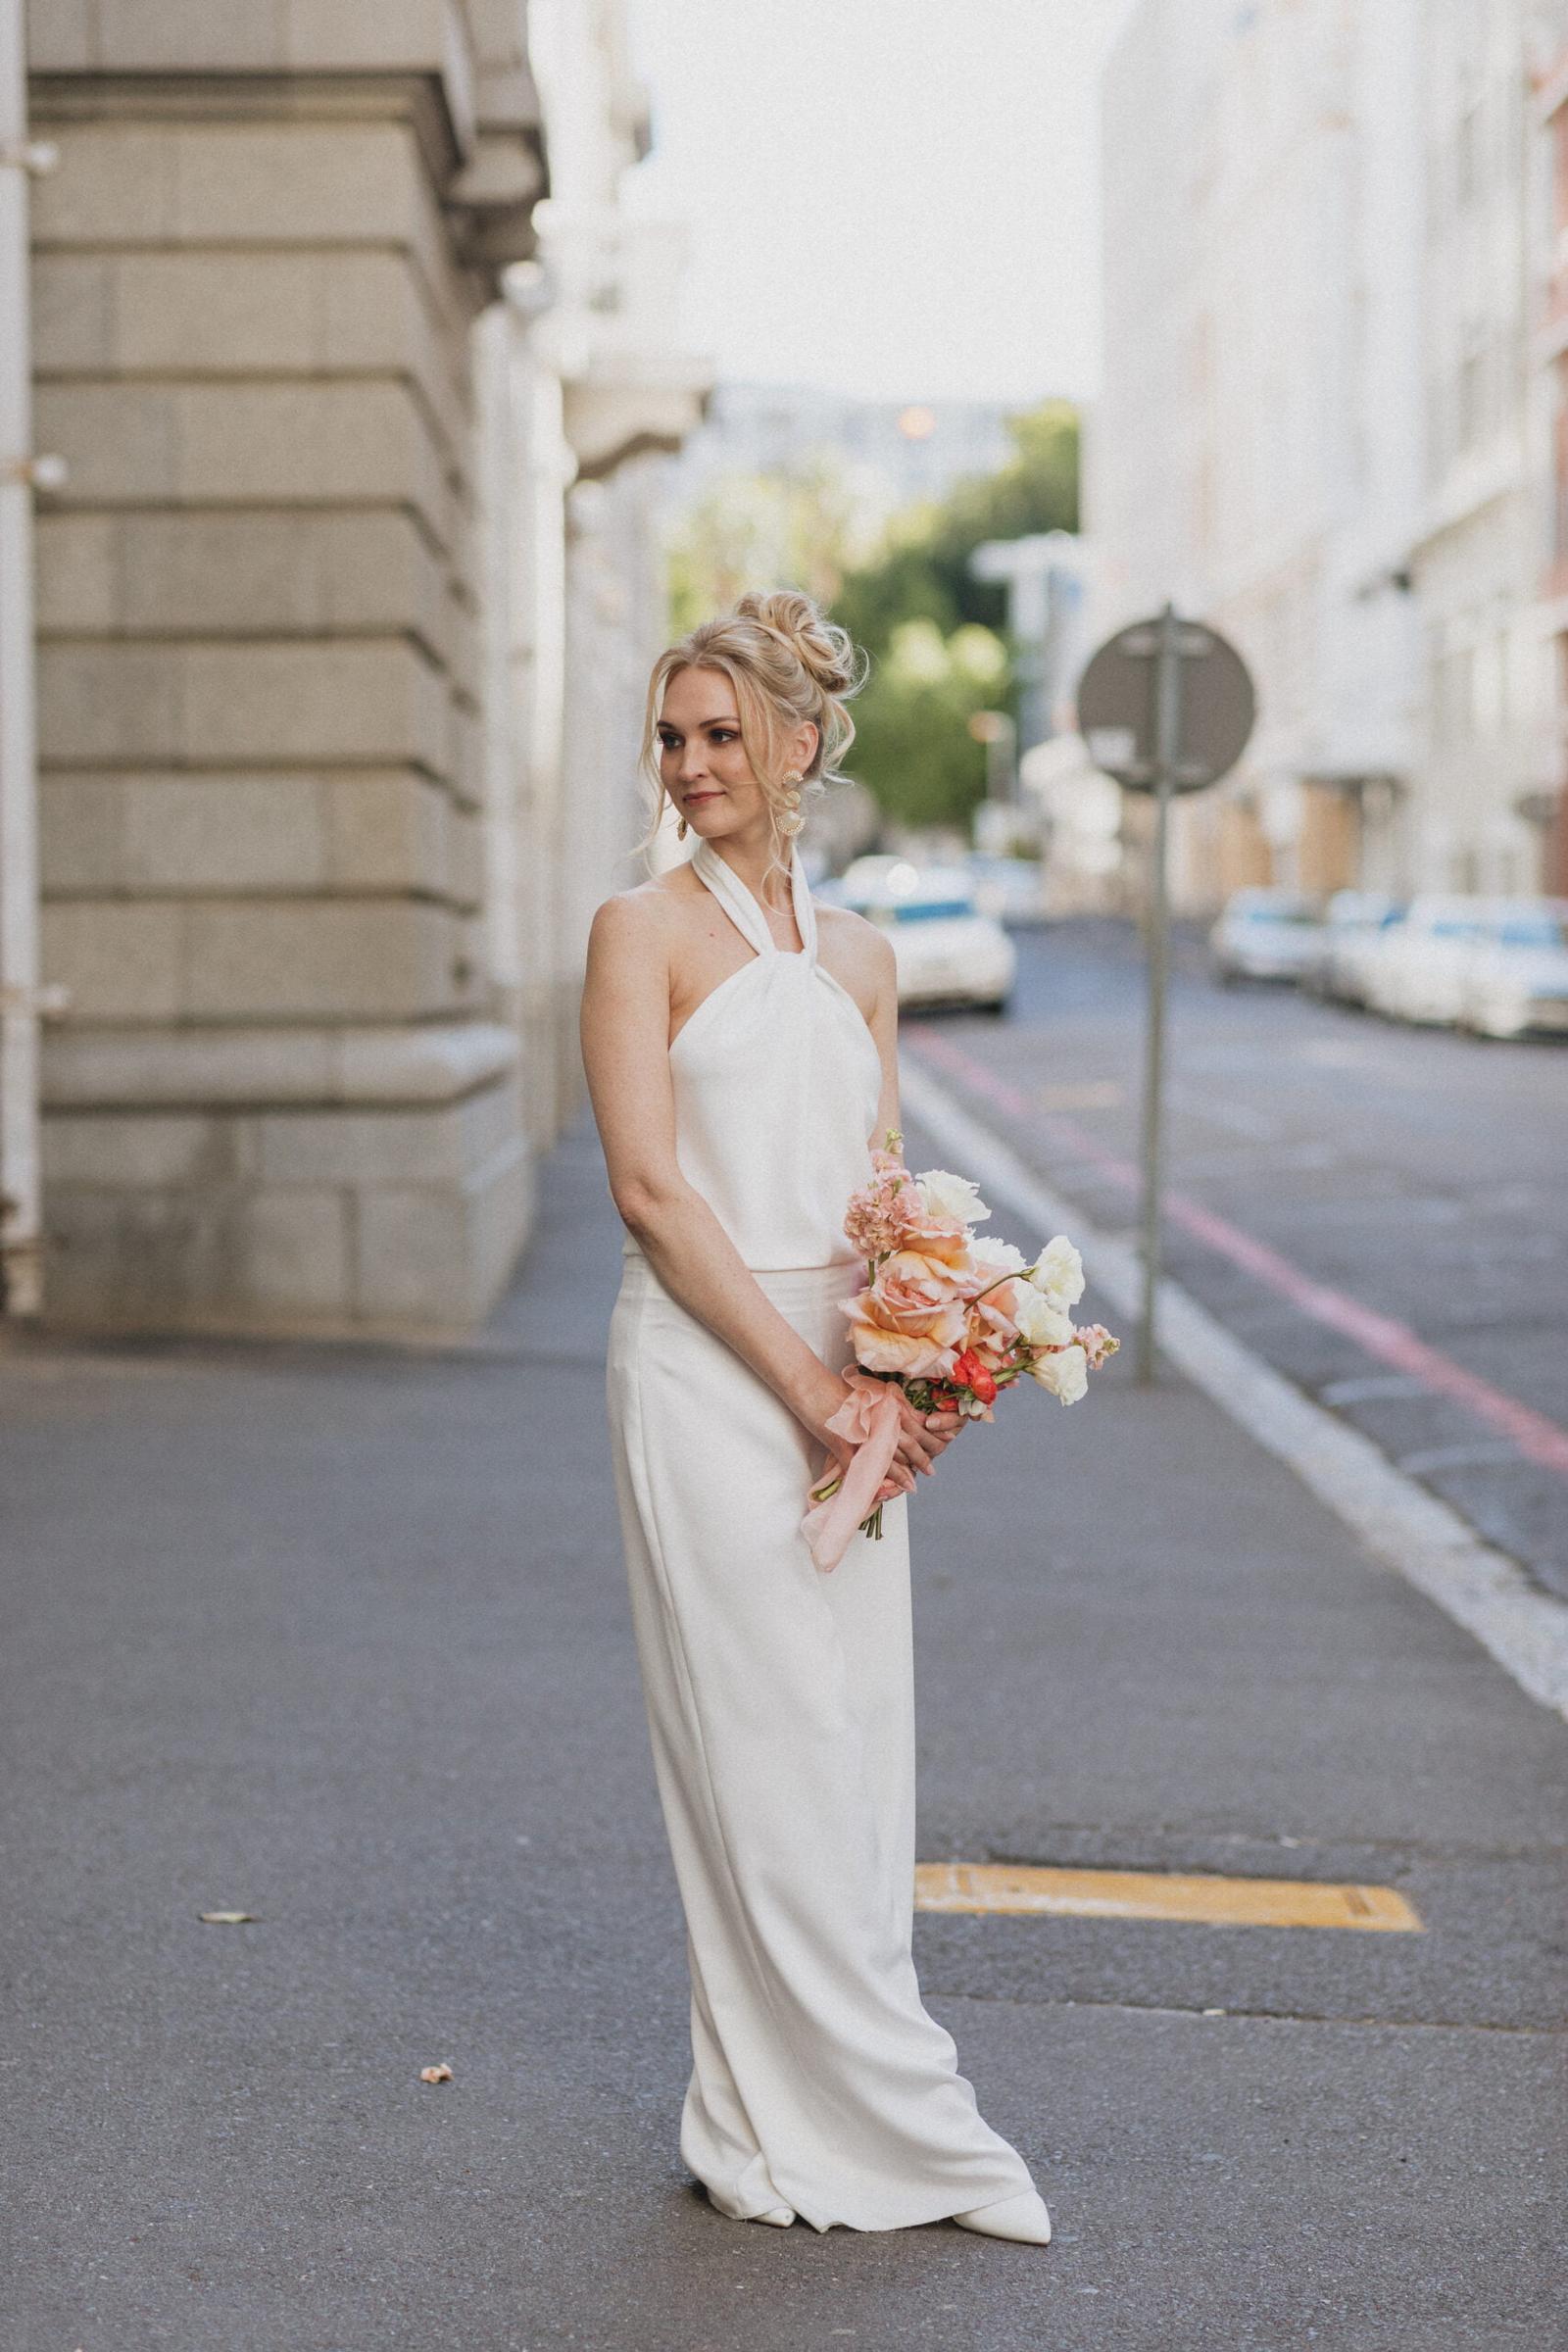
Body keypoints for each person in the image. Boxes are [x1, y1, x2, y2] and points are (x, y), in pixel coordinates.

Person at [578, 588, 1052, 2243]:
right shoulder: (638, 933)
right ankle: (882, 2125)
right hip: (711, 1382)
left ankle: (783, 2120)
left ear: (798, 746)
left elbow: (884, 1197)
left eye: (720, 734)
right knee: (759, 1753)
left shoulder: (862, 956)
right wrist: (811, 1392)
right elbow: (649, 1189)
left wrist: (922, 1380)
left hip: (851, 1386)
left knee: (850, 1758)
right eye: (672, 735)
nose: (690, 762)